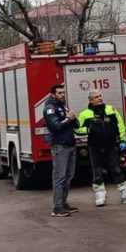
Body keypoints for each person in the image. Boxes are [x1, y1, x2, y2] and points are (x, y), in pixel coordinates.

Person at [75, 89, 126, 207]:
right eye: (96, 97)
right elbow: (77, 129)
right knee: (97, 171)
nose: (100, 98)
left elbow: (120, 125)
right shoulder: (85, 114)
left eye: (100, 96)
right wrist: (88, 129)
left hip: (111, 145)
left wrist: (123, 140)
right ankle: (100, 195)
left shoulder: (111, 109)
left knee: (116, 169)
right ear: (91, 100)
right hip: (95, 147)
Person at [44, 83, 79, 218]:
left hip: (70, 144)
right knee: (59, 177)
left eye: (63, 92)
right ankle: (57, 207)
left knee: (69, 175)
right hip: (60, 146)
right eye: (59, 93)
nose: (63, 95)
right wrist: (68, 118)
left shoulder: (63, 106)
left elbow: (73, 124)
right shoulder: (50, 108)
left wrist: (73, 119)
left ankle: (63, 203)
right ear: (53, 94)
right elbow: (55, 126)